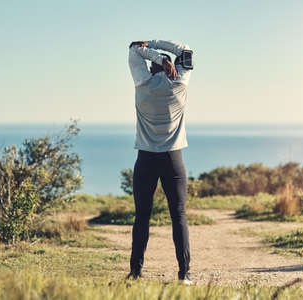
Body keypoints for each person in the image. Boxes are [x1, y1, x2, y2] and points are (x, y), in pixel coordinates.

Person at [126, 39, 193, 285]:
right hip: (172, 158)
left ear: (151, 67)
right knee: (179, 215)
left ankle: (135, 273)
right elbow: (186, 50)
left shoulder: (142, 83)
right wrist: (159, 45)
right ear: (170, 69)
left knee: (142, 216)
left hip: (146, 157)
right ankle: (184, 274)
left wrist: (155, 55)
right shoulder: (179, 84)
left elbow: (133, 50)